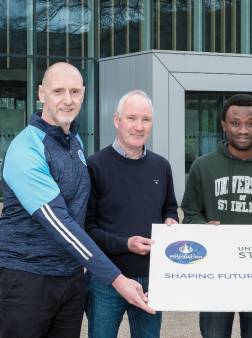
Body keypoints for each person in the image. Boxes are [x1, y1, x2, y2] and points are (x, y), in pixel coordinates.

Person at [0, 62, 154, 338]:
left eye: (74, 91)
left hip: (70, 279)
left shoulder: (74, 142)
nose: (68, 100)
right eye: (58, 91)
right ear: (41, 94)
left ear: (83, 94)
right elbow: (61, 224)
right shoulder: (25, 148)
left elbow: (86, 206)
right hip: (27, 279)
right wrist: (116, 279)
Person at [181, 93, 252, 338]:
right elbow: (189, 215)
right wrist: (203, 227)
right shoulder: (202, 167)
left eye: (251, 123)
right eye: (235, 122)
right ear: (223, 124)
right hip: (215, 278)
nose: (243, 130)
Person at [85, 90, 179, 338]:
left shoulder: (161, 165)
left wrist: (172, 220)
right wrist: (125, 244)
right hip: (107, 278)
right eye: (132, 118)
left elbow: (170, 207)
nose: (139, 126)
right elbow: (87, 227)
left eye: (145, 119)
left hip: (152, 278)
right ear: (117, 120)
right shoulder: (95, 165)